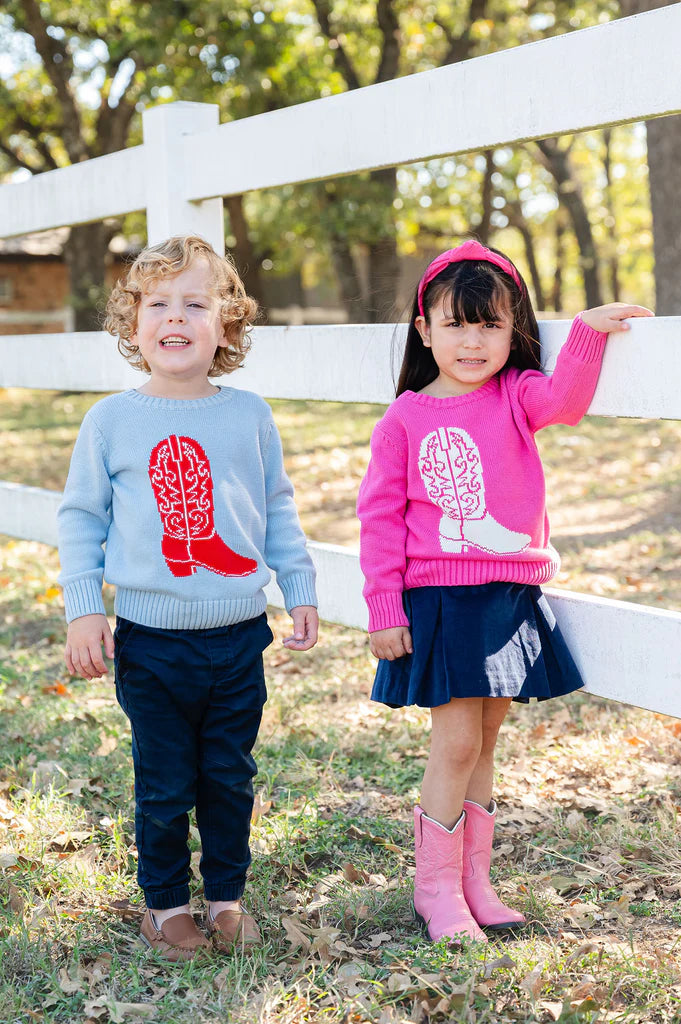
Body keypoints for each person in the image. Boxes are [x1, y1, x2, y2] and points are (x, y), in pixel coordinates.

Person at [357, 239, 652, 944]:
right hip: (442, 599)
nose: (472, 341)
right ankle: (434, 890)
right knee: (456, 742)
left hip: (507, 595)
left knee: (486, 741)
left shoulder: (515, 395)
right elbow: (379, 517)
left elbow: (566, 402)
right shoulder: (405, 418)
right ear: (424, 330)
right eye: (455, 324)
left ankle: (473, 881)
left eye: (489, 324)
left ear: (512, 329)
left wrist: (585, 332)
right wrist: (383, 607)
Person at [58, 235, 318, 962]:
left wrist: (297, 585)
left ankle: (227, 898)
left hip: (238, 636)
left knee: (230, 775)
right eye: (158, 303)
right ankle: (166, 906)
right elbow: (80, 519)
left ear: (226, 326)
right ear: (133, 323)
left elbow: (276, 506)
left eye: (196, 304)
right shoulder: (111, 420)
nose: (176, 316)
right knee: (167, 781)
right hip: (151, 641)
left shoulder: (248, 415)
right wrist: (85, 608)